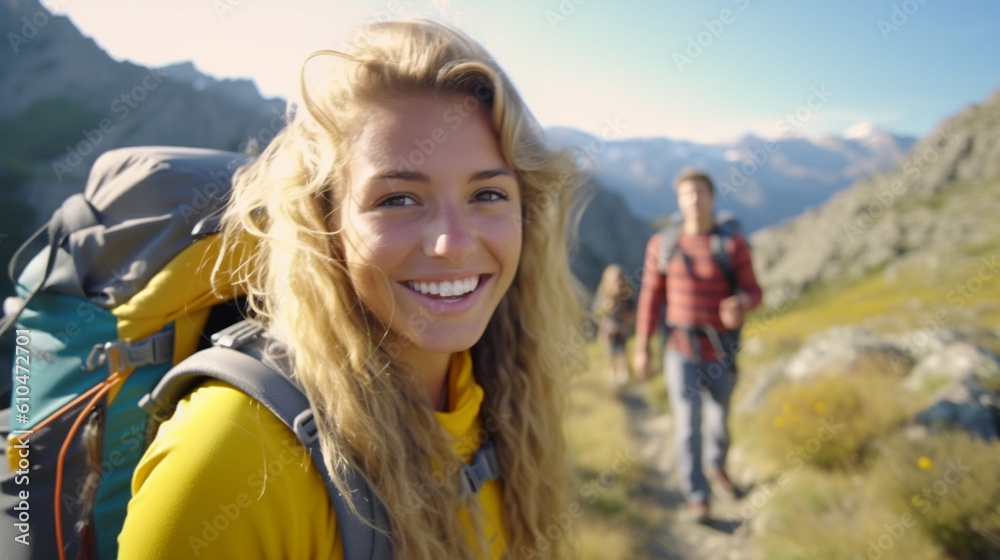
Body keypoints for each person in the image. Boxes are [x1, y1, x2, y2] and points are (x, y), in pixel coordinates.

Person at [118, 19, 584, 560]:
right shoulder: (230, 453)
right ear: (322, 220)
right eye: (398, 200)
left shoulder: (504, 400)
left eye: (488, 193)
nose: (453, 243)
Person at [632, 167, 761, 523]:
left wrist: (743, 304)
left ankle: (716, 466)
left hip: (722, 349)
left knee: (719, 418)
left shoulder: (731, 244)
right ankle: (697, 496)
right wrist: (642, 347)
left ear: (712, 197)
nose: (693, 200)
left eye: (699, 193)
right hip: (679, 347)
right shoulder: (663, 245)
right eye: (686, 194)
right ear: (678, 200)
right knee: (688, 423)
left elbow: (755, 290)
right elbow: (650, 297)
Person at [592, 263, 634, 388]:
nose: (618, 285)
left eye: (620, 281)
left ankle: (622, 378)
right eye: (615, 281)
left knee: (621, 352)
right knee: (610, 354)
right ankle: (612, 378)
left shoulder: (626, 297)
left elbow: (632, 313)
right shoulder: (603, 296)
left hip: (622, 331)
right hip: (609, 332)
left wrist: (627, 318)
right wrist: (605, 310)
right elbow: (596, 313)